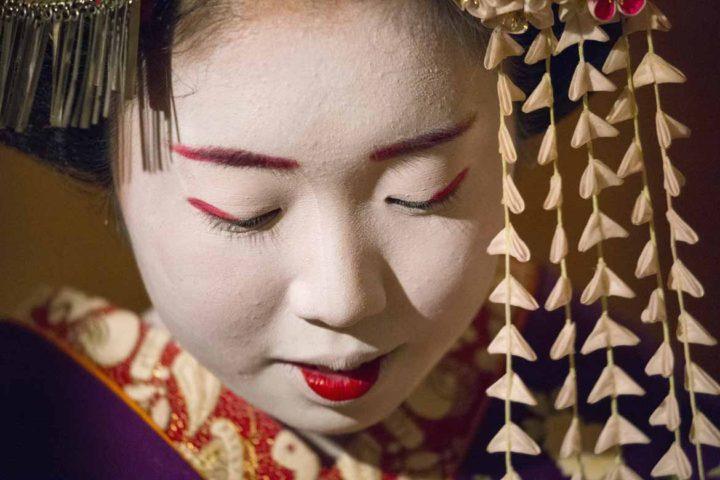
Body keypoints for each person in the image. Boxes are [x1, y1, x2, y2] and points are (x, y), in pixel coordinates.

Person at [0, 0, 718, 479]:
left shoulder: (636, 404)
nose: (343, 300)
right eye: (245, 211)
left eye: (423, 192)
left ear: (511, 153)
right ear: (109, 173)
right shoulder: (35, 421)